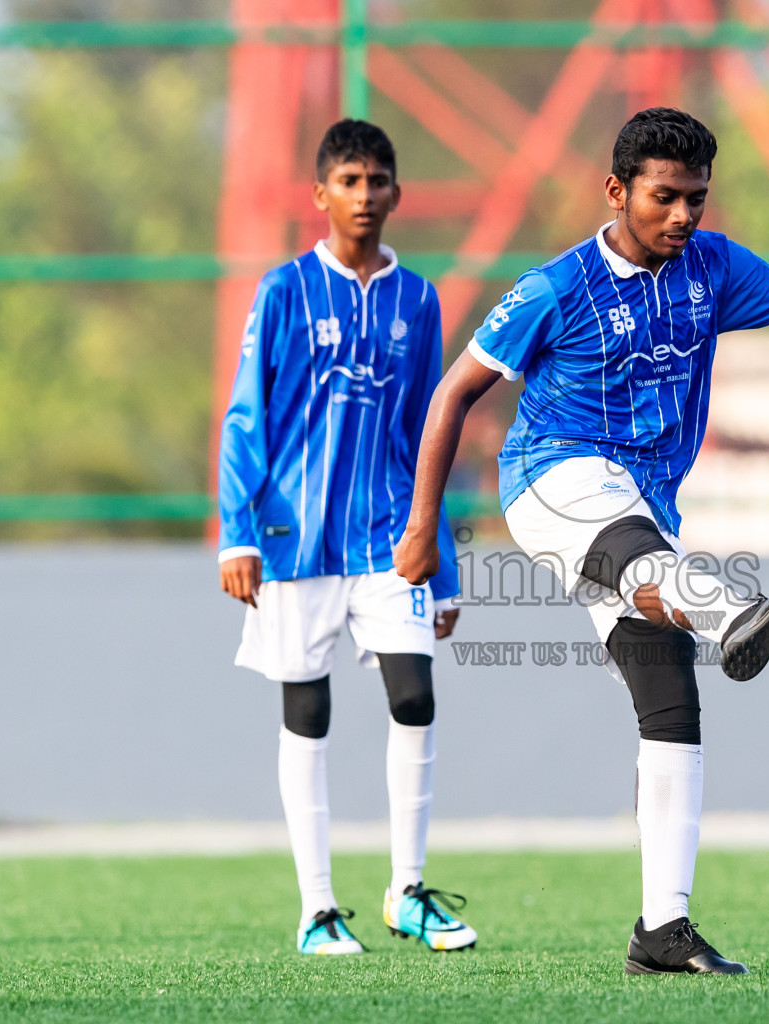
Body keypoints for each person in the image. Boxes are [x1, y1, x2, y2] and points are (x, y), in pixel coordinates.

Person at [393, 108, 769, 975]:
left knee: (672, 713)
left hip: (644, 509)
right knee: (643, 560)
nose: (684, 215)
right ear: (618, 191)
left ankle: (662, 930)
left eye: (696, 197)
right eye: (665, 197)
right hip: (552, 479)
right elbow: (451, 396)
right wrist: (424, 527)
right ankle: (734, 612)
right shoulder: (556, 287)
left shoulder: (716, 268)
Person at [217, 119, 476, 957]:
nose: (365, 196)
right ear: (321, 194)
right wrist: (237, 533)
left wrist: (441, 567)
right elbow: (246, 417)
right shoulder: (284, 291)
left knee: (415, 697)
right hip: (294, 540)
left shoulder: (419, 298)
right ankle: (318, 908)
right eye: (350, 181)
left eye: (379, 181)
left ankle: (407, 891)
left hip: (387, 540)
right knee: (308, 712)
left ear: (399, 192)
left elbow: (431, 429)